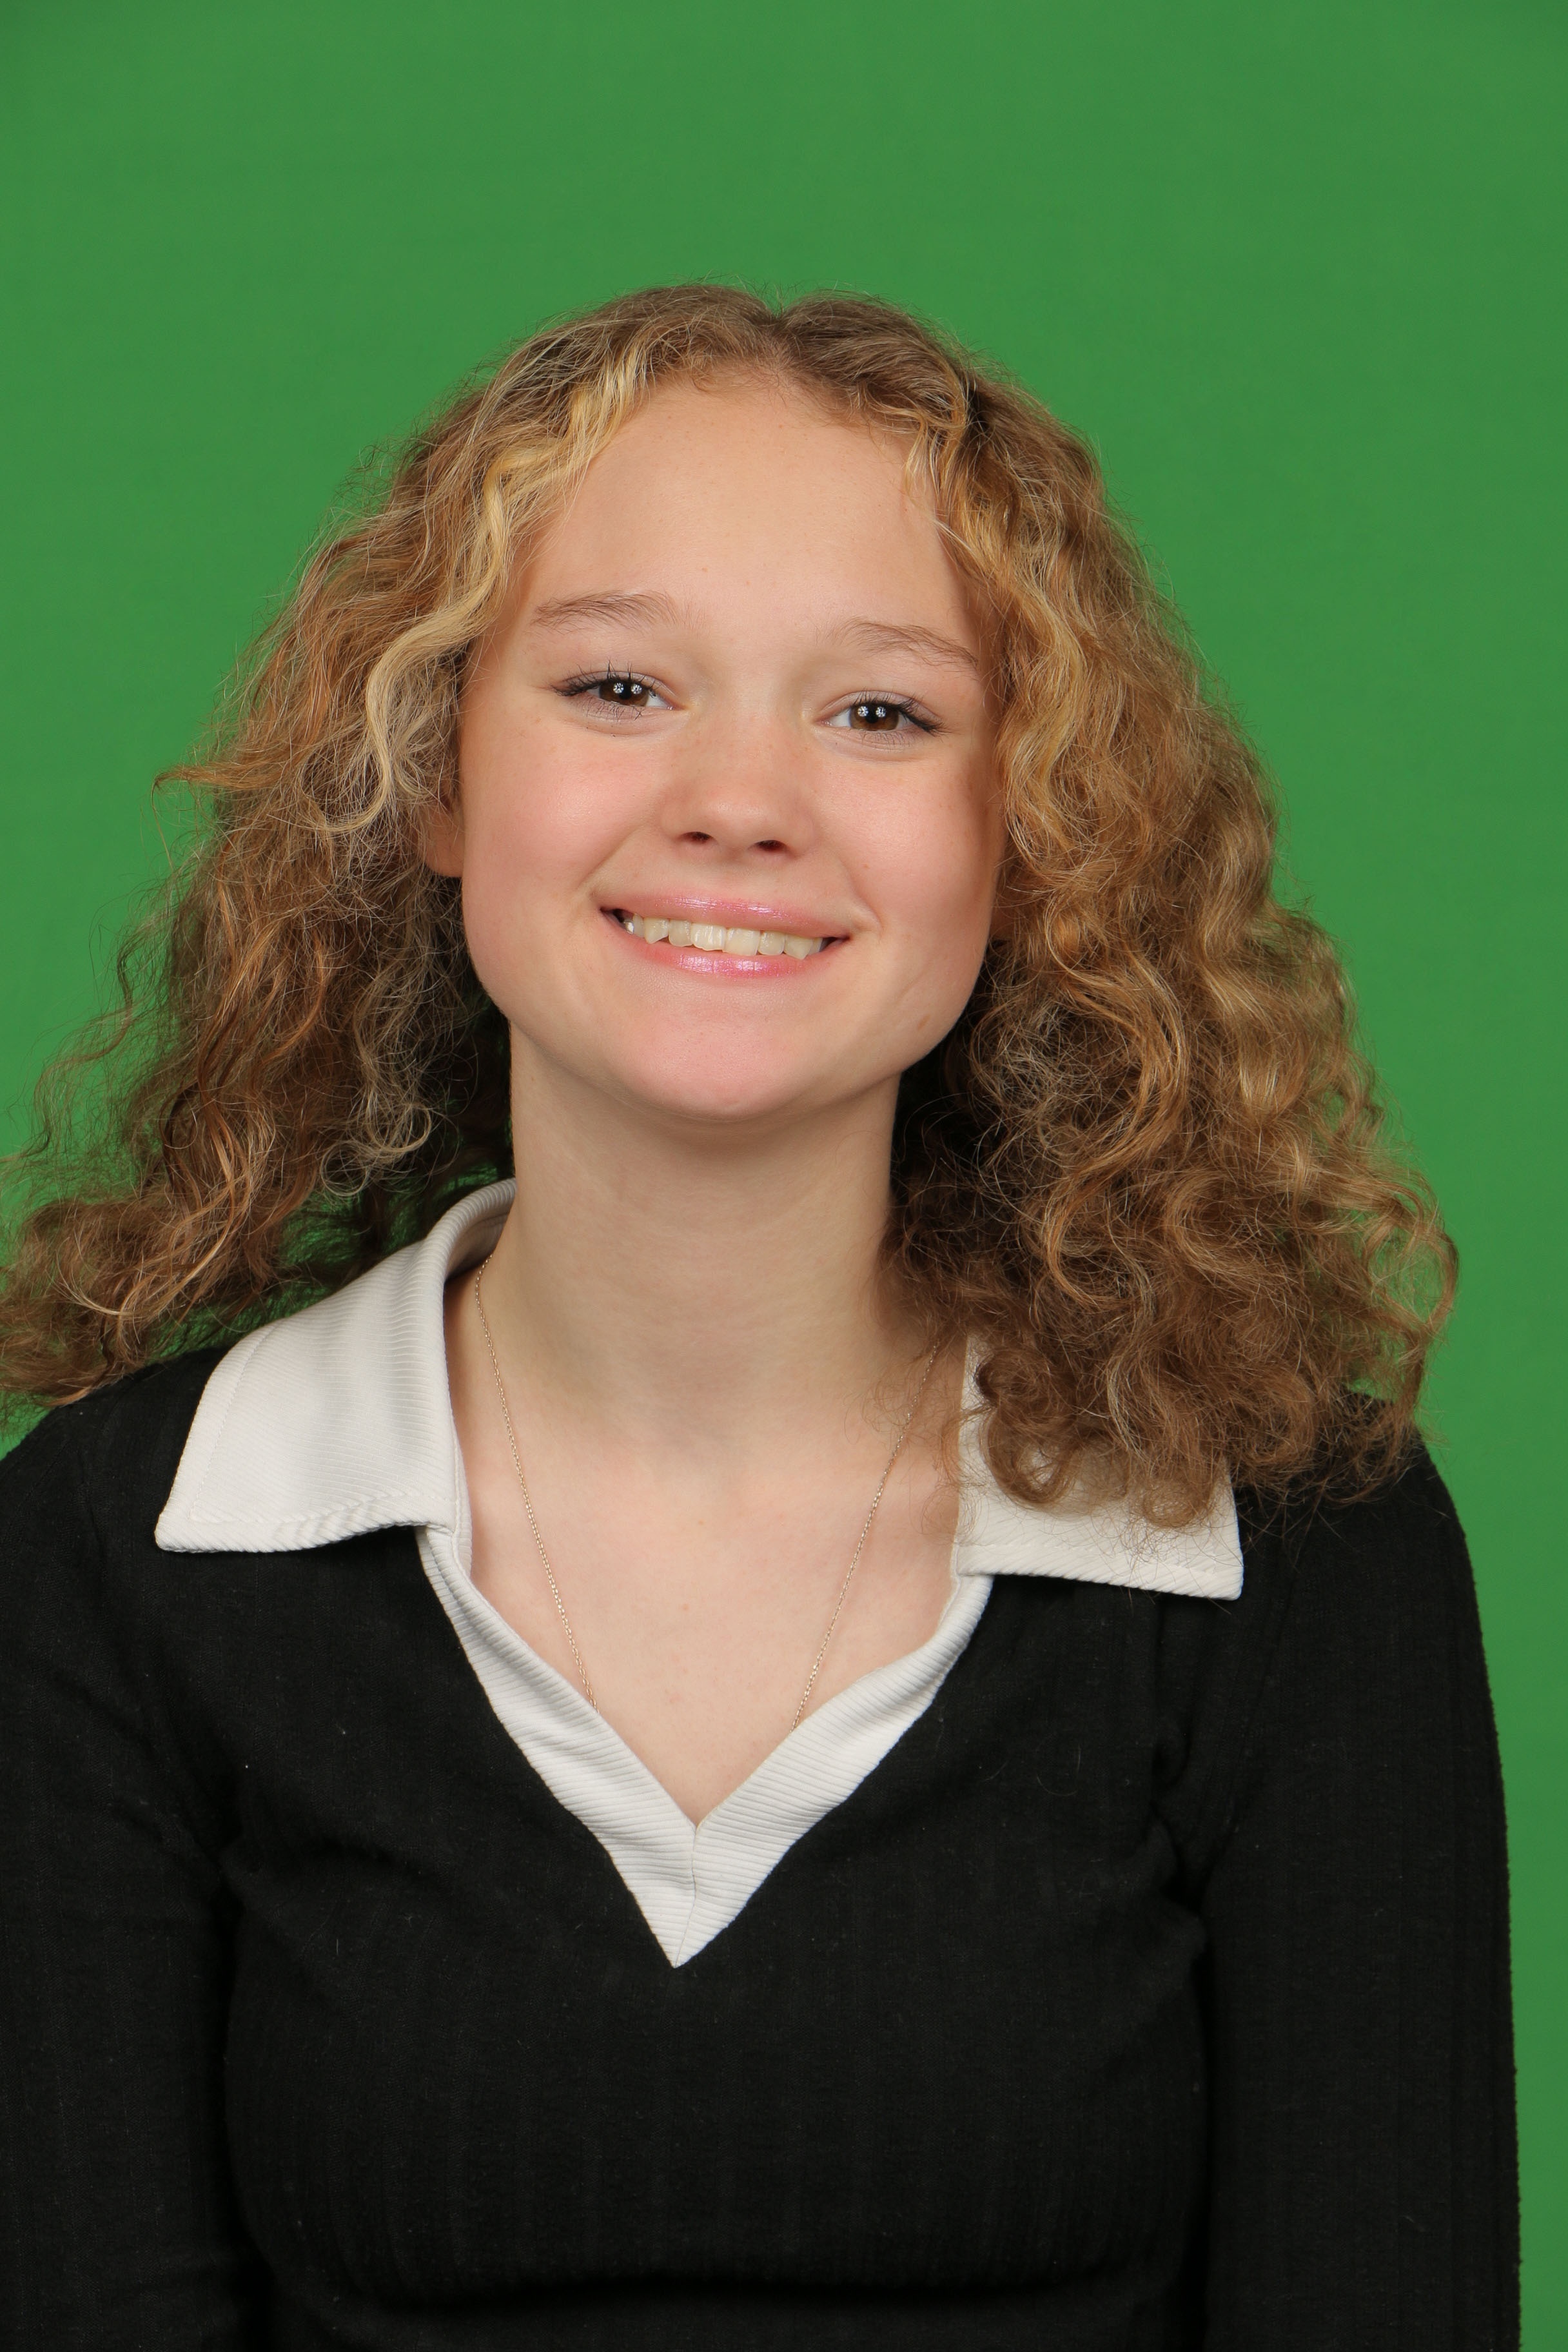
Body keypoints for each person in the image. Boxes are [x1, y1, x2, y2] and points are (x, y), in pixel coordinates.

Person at [0, 286, 1516, 2349]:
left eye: (880, 713)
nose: (740, 798)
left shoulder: (1299, 1549)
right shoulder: (117, 1550)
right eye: (618, 685)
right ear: (438, 778)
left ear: (1029, 833)